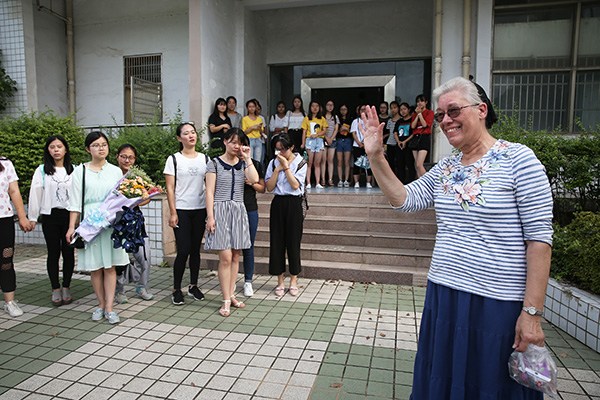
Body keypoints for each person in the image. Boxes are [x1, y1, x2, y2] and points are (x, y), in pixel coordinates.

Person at [361, 76, 553, 400]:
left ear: (481, 110)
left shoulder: (519, 160)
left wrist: (531, 314)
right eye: (440, 116)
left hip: (496, 303)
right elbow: (404, 200)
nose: (446, 120)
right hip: (444, 294)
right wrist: (376, 155)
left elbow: (539, 241)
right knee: (444, 379)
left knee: (490, 384)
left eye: (453, 111)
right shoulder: (447, 167)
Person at [67, 131, 130, 324]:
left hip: (110, 222)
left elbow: (122, 198)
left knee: (110, 266)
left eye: (104, 144)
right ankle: (100, 304)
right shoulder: (80, 171)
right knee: (95, 268)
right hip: (90, 223)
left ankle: (110, 307)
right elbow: (75, 202)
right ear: (88, 149)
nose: (101, 148)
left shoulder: (115, 171)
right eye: (96, 145)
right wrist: (72, 226)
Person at [205, 128, 259, 317]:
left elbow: (255, 179)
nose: (237, 146)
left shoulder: (243, 164)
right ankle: (226, 299)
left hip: (238, 210)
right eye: (233, 142)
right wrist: (210, 217)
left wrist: (247, 158)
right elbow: (209, 192)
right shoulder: (214, 164)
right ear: (225, 142)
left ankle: (231, 294)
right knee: (226, 257)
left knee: (236, 256)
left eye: (240, 142)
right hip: (220, 210)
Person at [163, 122, 208, 305]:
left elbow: (210, 185)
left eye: (193, 132)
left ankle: (193, 285)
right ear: (179, 138)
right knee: (183, 251)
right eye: (186, 133)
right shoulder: (174, 159)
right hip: (181, 209)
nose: (191, 135)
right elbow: (170, 188)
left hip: (200, 209)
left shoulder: (205, 159)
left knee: (195, 250)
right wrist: (173, 212)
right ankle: (176, 288)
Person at [28, 135, 75, 306]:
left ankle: (67, 286)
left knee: (69, 252)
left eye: (59, 146)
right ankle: (55, 288)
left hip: (69, 216)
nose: (56, 150)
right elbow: (35, 193)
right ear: (48, 150)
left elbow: (79, 195)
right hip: (50, 216)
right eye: (52, 147)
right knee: (53, 252)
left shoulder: (74, 170)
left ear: (65, 149)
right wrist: (32, 217)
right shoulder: (42, 170)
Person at [265, 134, 307, 297]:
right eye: (277, 149)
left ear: (291, 148)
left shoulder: (301, 162)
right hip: (278, 203)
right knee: (276, 242)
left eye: (283, 149)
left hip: (294, 204)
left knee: (293, 242)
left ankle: (294, 280)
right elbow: (269, 187)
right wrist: (277, 168)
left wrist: (287, 167)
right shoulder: (273, 162)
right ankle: (280, 281)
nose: (280, 152)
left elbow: (296, 185)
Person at [114, 144, 154, 303]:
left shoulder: (138, 176)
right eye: (123, 156)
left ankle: (142, 286)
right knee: (120, 257)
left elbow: (148, 197)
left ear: (135, 159)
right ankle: (119, 290)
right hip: (118, 221)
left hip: (136, 220)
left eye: (130, 157)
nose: (127, 160)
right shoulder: (112, 175)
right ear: (117, 157)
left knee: (145, 255)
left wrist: (136, 201)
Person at [0, 156, 33, 317]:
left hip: (4, 219)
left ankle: (9, 301)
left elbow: (14, 191)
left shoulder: (5, 164)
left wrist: (22, 216)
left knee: (6, 261)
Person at [240, 133, 266, 297]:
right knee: (233, 249)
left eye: (243, 144)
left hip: (250, 208)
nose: (239, 147)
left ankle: (248, 281)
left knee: (248, 246)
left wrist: (251, 183)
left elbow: (262, 188)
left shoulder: (255, 164)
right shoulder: (228, 164)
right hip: (231, 209)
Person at [301, 100, 328, 189]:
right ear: (310, 107)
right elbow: (304, 132)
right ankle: (308, 182)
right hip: (309, 140)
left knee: (317, 163)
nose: (315, 108)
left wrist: (317, 134)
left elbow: (324, 130)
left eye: (317, 106)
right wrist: (303, 143)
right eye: (313, 106)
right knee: (309, 163)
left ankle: (317, 183)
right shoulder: (306, 118)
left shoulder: (322, 119)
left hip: (319, 140)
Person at [410, 94, 435, 178]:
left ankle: (427, 182)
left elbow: (425, 124)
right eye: (418, 101)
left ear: (426, 102)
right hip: (415, 137)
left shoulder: (429, 112)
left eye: (421, 101)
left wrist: (420, 114)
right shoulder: (415, 113)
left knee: (419, 164)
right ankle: (419, 183)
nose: (419, 103)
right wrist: (417, 114)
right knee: (415, 164)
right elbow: (413, 126)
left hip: (424, 137)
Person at [351, 105, 372, 188]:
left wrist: (366, 143)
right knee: (357, 163)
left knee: (368, 164)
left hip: (368, 145)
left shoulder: (370, 121)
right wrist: (359, 143)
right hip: (357, 145)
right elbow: (353, 133)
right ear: (359, 111)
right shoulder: (355, 121)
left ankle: (368, 182)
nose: (363, 111)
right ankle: (356, 182)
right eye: (362, 110)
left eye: (365, 109)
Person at [395, 102, 416, 183]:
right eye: (401, 110)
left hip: (409, 146)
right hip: (399, 145)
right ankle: (401, 182)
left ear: (408, 110)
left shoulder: (412, 120)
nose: (402, 111)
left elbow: (413, 133)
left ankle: (411, 182)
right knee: (400, 165)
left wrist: (405, 141)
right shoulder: (398, 121)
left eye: (404, 109)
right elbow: (395, 133)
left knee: (410, 164)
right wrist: (399, 142)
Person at [321, 100, 339, 187]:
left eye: (332, 105)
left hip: (333, 140)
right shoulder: (322, 116)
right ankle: (323, 179)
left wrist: (331, 138)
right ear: (325, 106)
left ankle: (330, 179)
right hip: (323, 139)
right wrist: (326, 138)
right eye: (328, 105)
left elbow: (336, 129)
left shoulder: (335, 117)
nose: (330, 107)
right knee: (323, 160)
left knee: (330, 160)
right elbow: (320, 129)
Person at [336, 104, 352, 187]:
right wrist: (340, 129)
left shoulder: (351, 119)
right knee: (339, 161)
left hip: (348, 140)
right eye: (342, 109)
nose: (343, 111)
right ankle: (340, 180)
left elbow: (352, 131)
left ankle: (346, 180)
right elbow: (335, 130)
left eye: (345, 109)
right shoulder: (337, 119)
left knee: (347, 161)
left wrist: (347, 129)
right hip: (339, 140)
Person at [384, 101, 402, 178]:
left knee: (399, 162)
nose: (393, 110)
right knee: (390, 162)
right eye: (391, 108)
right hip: (390, 142)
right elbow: (389, 132)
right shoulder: (389, 121)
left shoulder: (401, 120)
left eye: (395, 108)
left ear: (398, 108)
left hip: (398, 142)